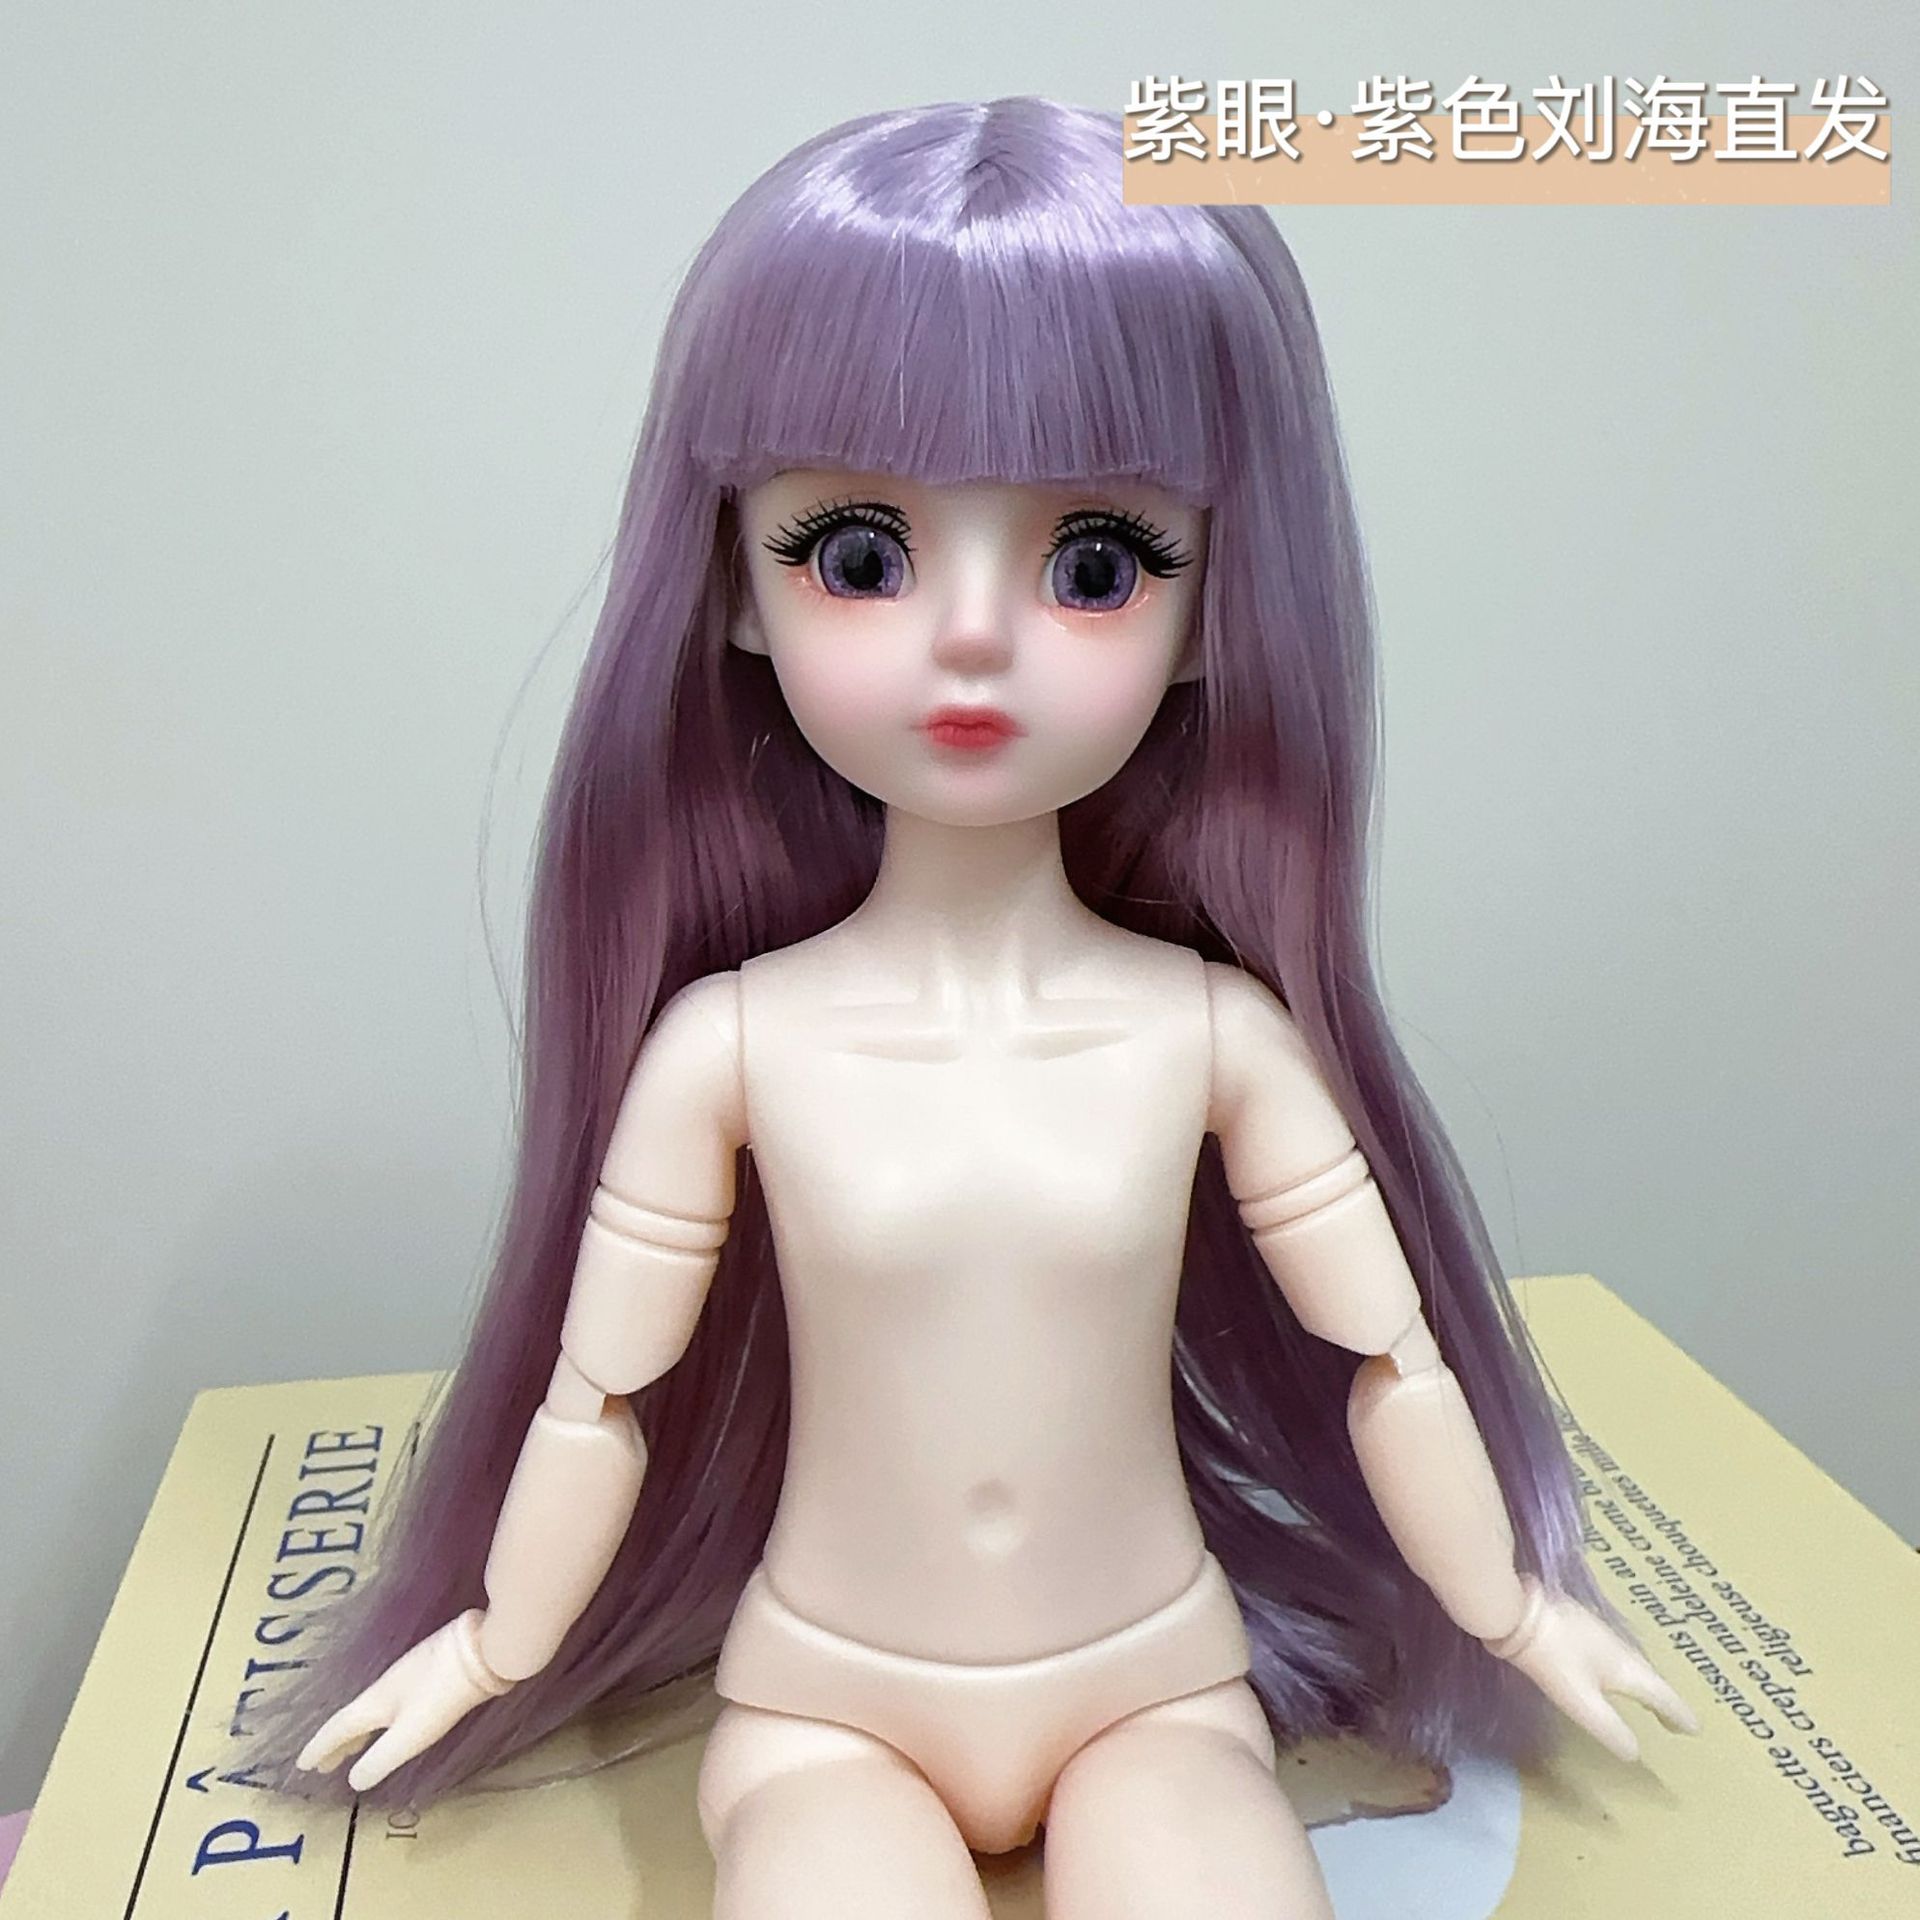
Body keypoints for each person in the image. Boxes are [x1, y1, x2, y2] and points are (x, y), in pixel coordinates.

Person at [274, 96, 1695, 1918]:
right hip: (829, 1708)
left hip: (1152, 1689)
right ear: (734, 588)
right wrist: (492, 1643)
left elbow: (1389, 1360)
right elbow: (596, 1396)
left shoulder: (1210, 1038)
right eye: (857, 554)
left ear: (1211, 607)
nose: (967, 636)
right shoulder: (734, 1047)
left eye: (1094, 562)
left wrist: (1510, 1608)